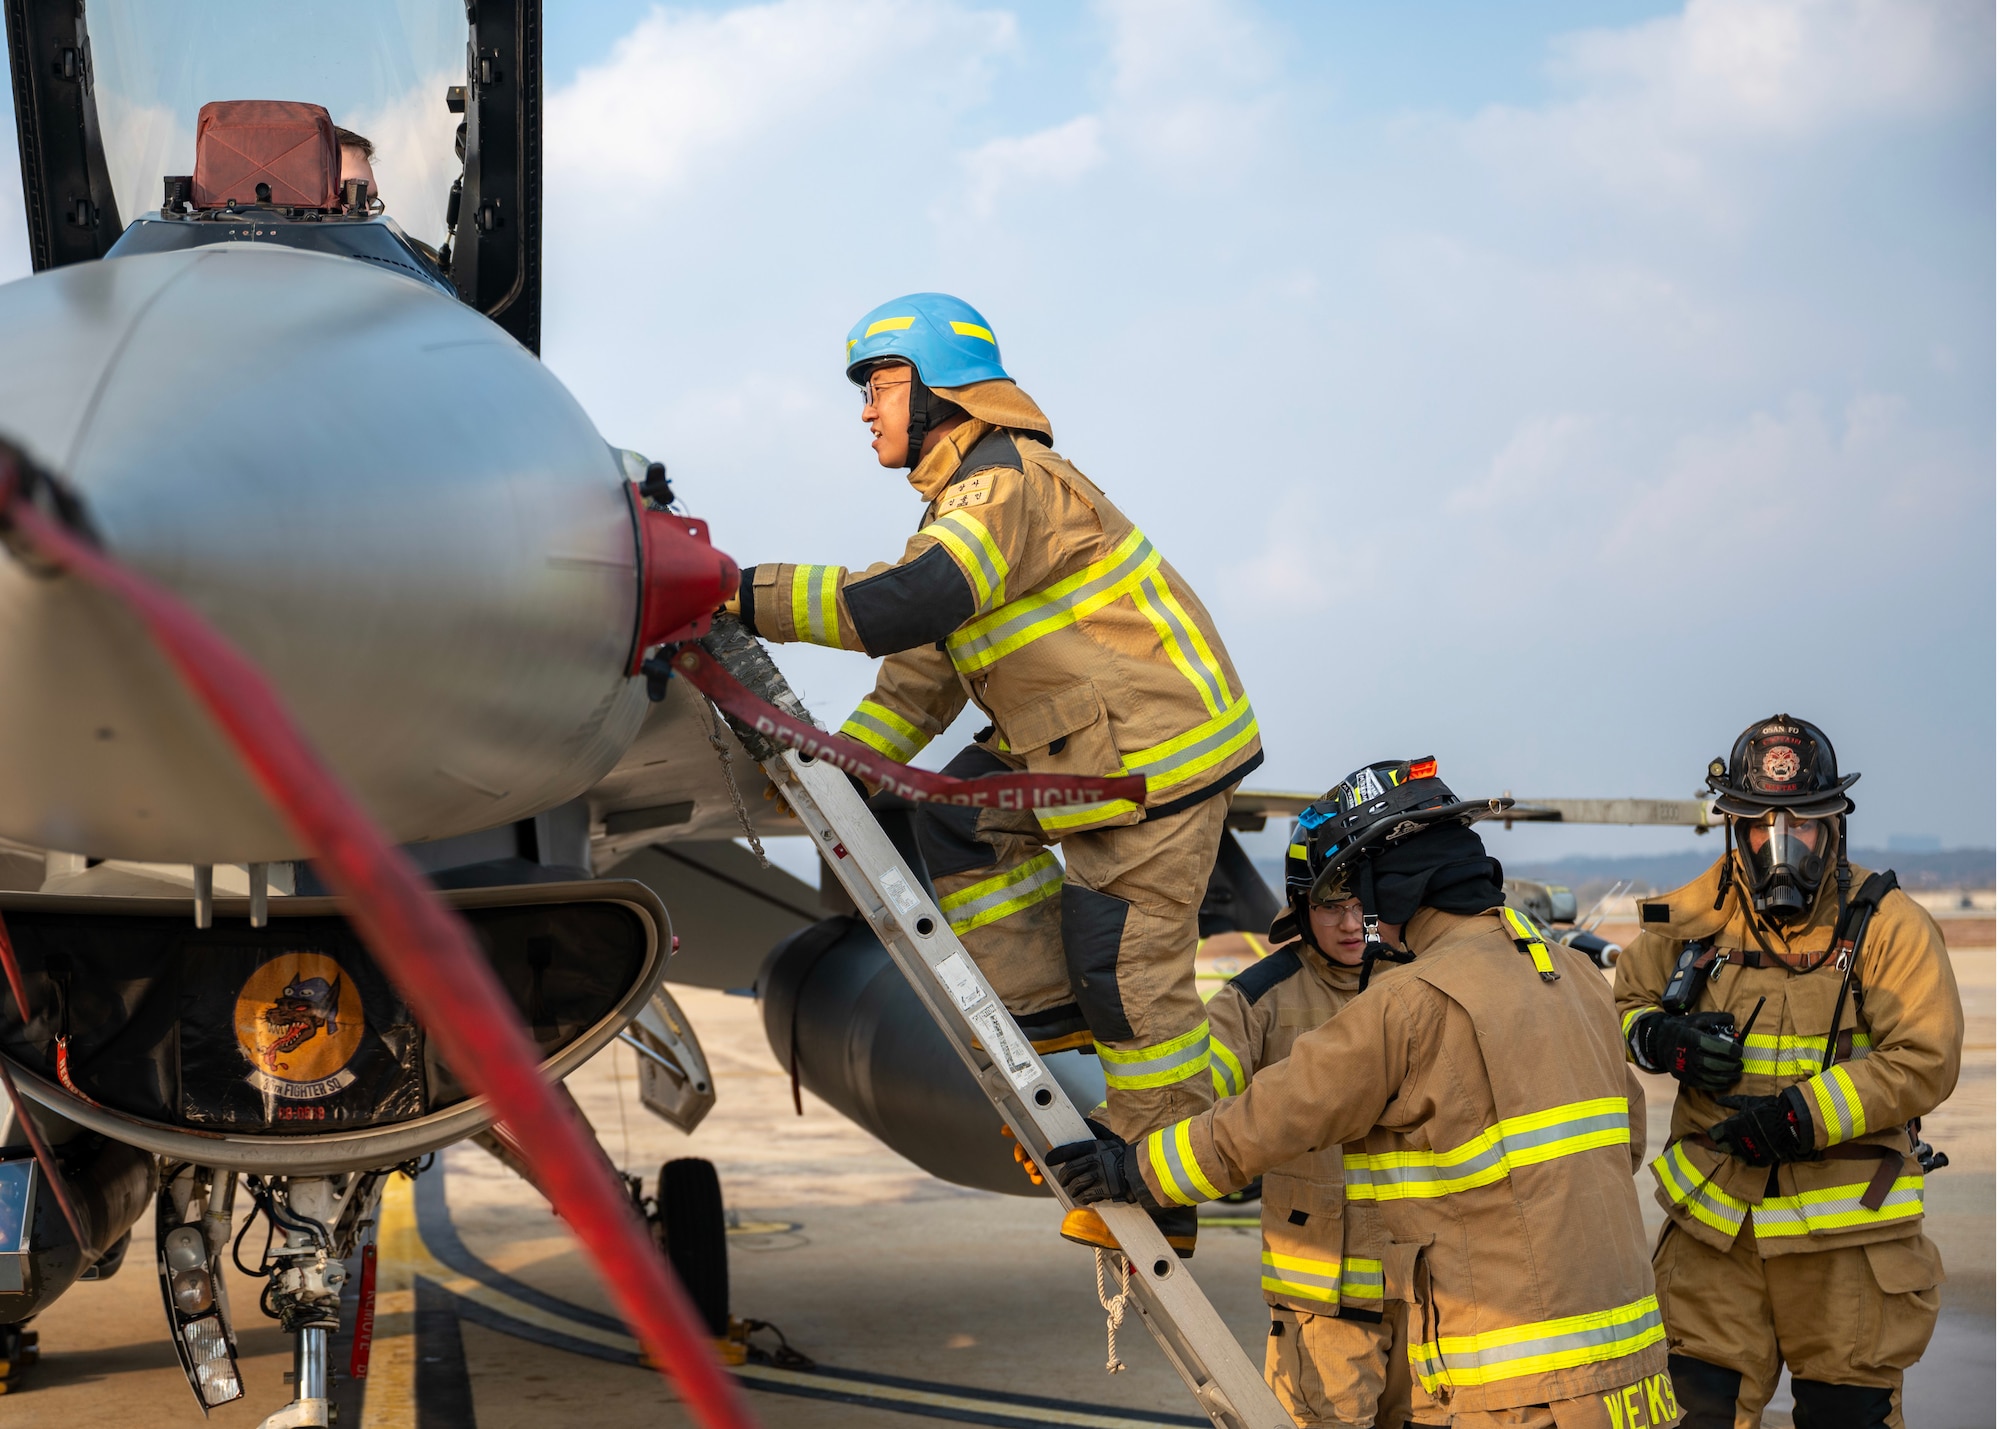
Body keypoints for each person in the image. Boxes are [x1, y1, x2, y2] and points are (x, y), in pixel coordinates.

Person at [730, 293, 1262, 1255]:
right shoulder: (962, 503)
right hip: (1088, 742)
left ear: (939, 389)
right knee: (961, 821)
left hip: (1155, 755)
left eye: (881, 386)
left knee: (1128, 973)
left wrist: (736, 595)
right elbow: (920, 677)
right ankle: (1051, 1025)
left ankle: (1163, 1184)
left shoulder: (1005, 484)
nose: (865, 411)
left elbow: (905, 603)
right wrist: (842, 769)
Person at [1049, 759, 1677, 1428]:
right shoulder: (1575, 974)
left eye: (1364, 892)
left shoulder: (1408, 1000)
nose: (1356, 918)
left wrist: (1135, 1170)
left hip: (1510, 1376)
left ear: (1398, 887)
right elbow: (1626, 1141)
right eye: (1334, 900)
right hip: (1628, 1372)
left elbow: (1268, 1117)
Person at [1613, 715, 1961, 1429]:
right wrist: (1661, 1037)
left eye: (1800, 825)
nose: (1781, 845)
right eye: (1760, 826)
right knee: (1692, 1414)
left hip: (1849, 1249)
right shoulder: (1688, 919)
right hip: (1716, 1240)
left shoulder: (1889, 924)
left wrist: (1806, 1114)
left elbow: (1927, 1055)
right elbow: (1619, 1001)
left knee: (1846, 1415)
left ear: (1833, 826)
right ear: (1733, 830)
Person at [1203, 819, 1408, 1428]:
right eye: (1330, 907)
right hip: (1325, 1303)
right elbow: (1190, 1090)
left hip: (1425, 1294)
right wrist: (1109, 1134)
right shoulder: (1258, 998)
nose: (1350, 925)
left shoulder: (1422, 987)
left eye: (1361, 905)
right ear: (1300, 906)